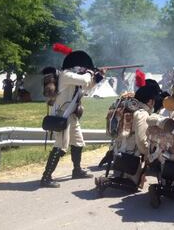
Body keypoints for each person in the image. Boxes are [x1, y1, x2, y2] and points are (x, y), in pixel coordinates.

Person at [40, 50, 104, 188]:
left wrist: (97, 78)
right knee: (60, 146)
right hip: (62, 115)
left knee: (78, 142)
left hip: (71, 115)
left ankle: (77, 170)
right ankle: (46, 178)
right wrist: (91, 72)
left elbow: (86, 88)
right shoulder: (66, 75)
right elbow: (85, 79)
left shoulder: (74, 77)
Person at [95, 85, 158, 194]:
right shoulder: (142, 113)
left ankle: (111, 179)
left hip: (118, 153)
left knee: (127, 179)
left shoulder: (126, 110)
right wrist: (149, 155)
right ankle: (106, 181)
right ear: (151, 101)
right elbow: (141, 141)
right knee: (133, 186)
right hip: (130, 157)